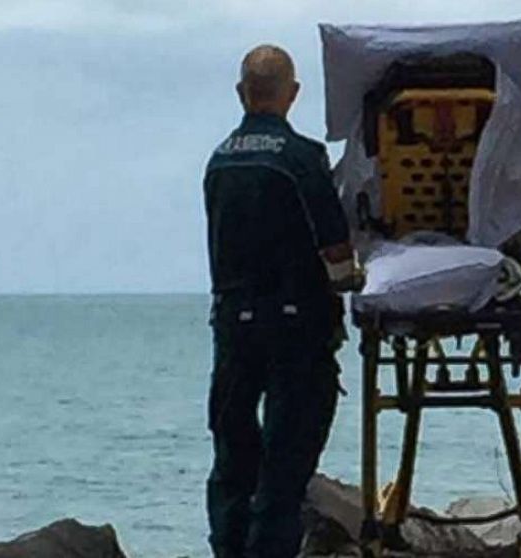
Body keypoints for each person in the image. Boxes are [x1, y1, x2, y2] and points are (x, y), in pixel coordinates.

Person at [203, 44, 354, 558]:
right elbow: (335, 246)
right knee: (285, 465)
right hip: (295, 328)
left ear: (242, 92)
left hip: (232, 326)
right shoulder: (300, 157)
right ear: (292, 94)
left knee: (232, 460)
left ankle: (228, 548)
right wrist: (350, 280)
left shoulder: (219, 160)